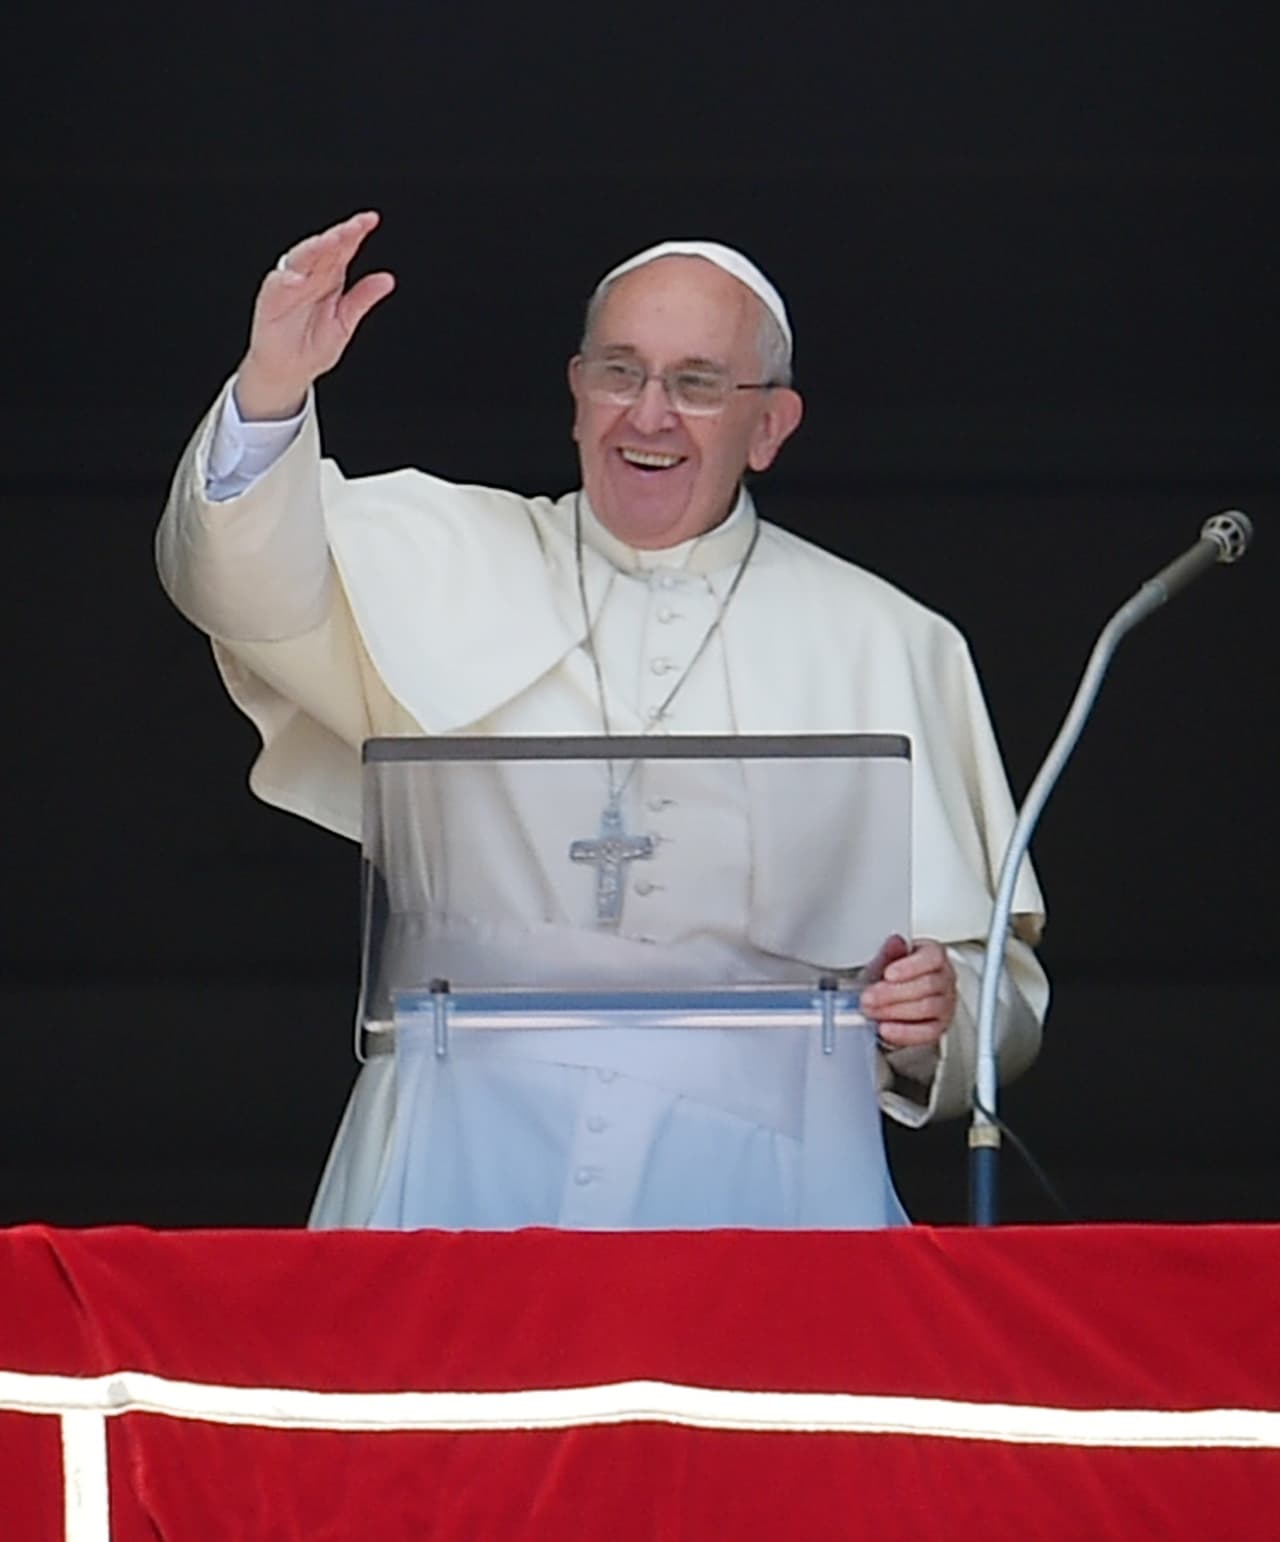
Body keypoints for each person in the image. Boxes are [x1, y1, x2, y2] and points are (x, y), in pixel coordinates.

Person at [156, 211, 1047, 1230]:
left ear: (769, 428)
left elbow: (992, 999)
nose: (650, 415)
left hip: (766, 1181)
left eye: (698, 383)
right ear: (577, 394)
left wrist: (935, 1011)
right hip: (455, 1151)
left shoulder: (884, 639)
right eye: (619, 371)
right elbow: (235, 582)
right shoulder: (451, 551)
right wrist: (272, 384)